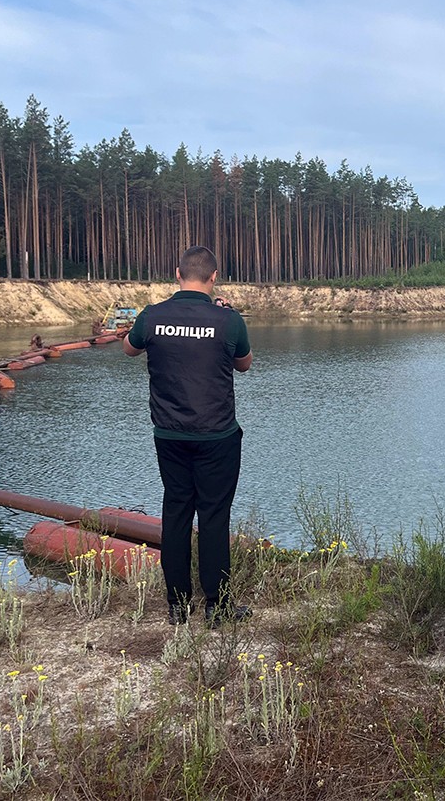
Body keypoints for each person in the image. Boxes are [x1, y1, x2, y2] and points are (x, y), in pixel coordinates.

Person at [123, 245, 254, 627]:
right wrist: (226, 316)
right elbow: (244, 364)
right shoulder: (228, 320)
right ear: (215, 278)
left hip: (170, 434)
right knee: (215, 516)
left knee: (177, 512)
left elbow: (129, 350)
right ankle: (218, 606)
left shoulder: (152, 316)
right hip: (217, 435)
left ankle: (178, 606)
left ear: (176, 273)